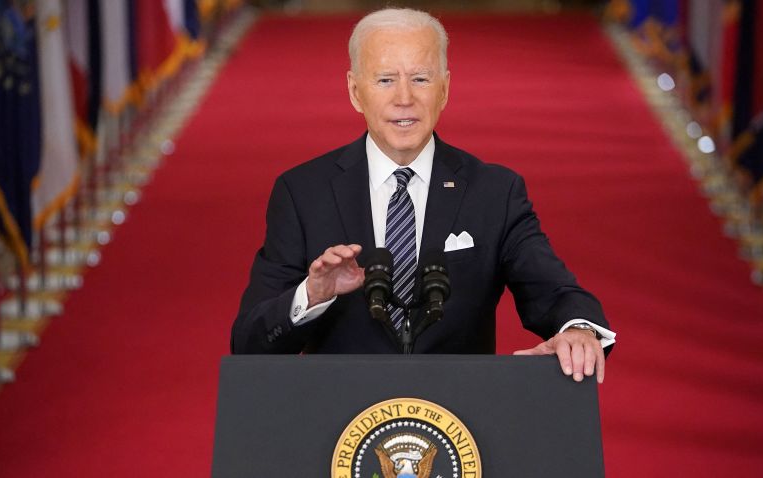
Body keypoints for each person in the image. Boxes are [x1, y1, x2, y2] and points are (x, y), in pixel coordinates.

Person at [231, 8, 616, 383]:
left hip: (459, 428)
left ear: (445, 89)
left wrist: (579, 330)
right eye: (385, 80)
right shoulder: (302, 192)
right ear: (354, 91)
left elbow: (553, 289)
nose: (404, 98)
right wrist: (311, 296)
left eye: (420, 79)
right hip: (342, 427)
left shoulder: (494, 192)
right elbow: (249, 343)